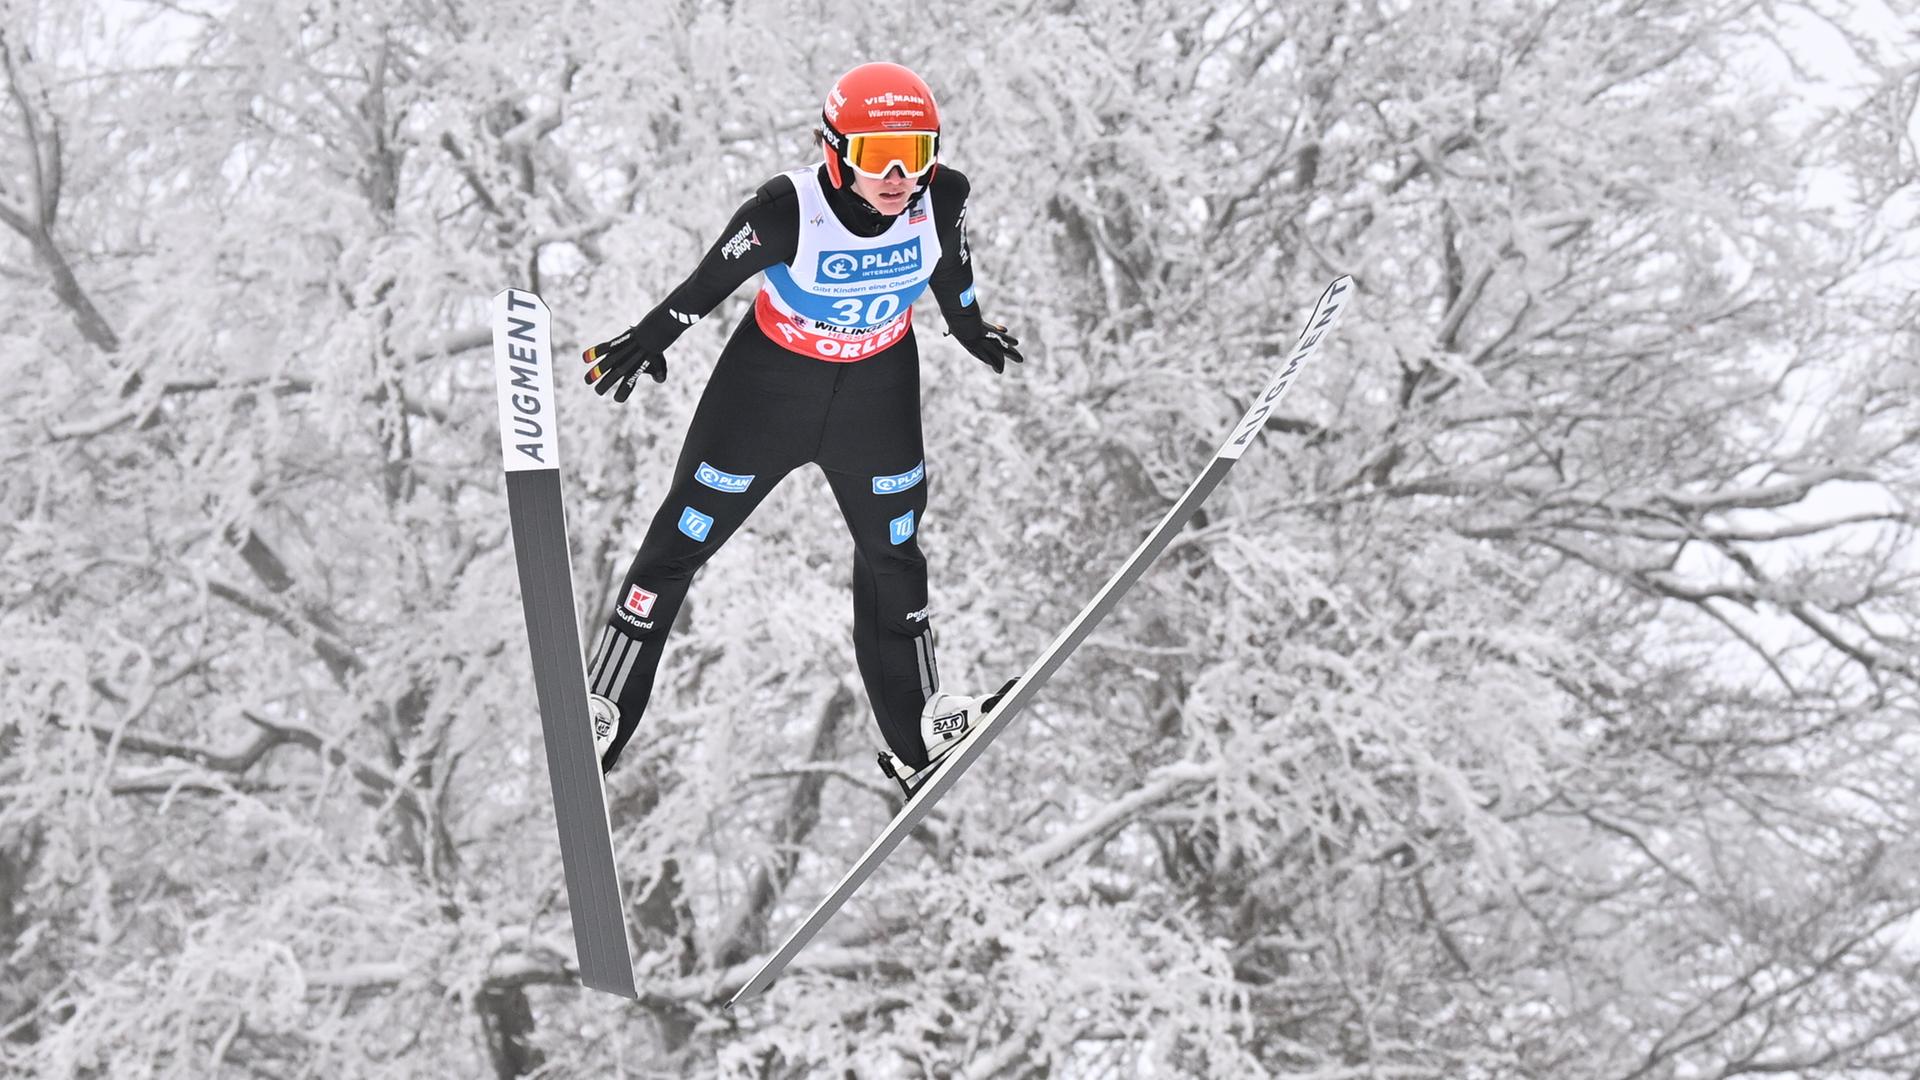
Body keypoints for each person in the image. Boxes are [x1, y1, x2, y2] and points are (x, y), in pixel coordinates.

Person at [579, 62, 1021, 796]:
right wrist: (649, 338)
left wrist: (970, 328)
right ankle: (603, 711)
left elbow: (953, 268)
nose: (899, 177)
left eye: (915, 154)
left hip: (875, 398)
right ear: (834, 152)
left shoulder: (942, 196)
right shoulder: (786, 210)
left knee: (894, 557)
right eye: (879, 157)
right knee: (676, 547)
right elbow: (705, 286)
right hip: (767, 395)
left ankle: (918, 731)